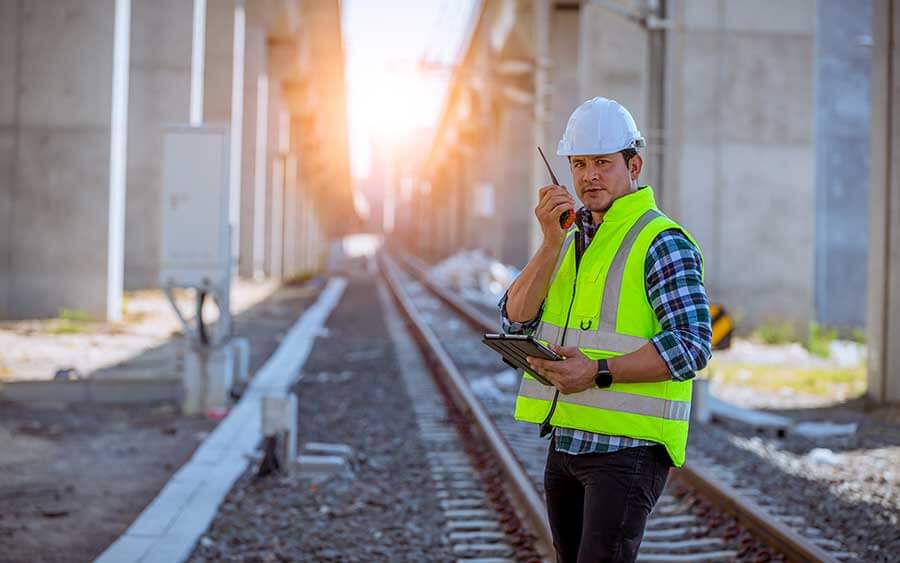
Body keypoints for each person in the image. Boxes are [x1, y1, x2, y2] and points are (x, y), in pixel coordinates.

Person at [499, 97, 712, 562]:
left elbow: (692, 347)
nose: (589, 175)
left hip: (627, 451)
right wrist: (550, 241)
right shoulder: (568, 239)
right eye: (578, 164)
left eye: (602, 163)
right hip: (567, 442)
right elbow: (514, 317)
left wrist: (596, 372)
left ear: (633, 164)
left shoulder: (661, 241)